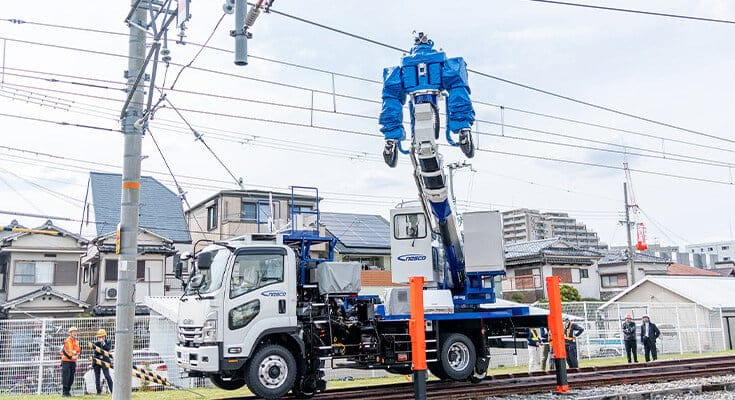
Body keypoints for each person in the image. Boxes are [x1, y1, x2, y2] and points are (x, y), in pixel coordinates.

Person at [60, 326, 81, 397]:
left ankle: (68, 391)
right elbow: (64, 351)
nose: (75, 333)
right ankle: (64, 392)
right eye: (73, 332)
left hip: (73, 361)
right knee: (66, 376)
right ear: (70, 333)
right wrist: (71, 357)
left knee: (71, 377)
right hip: (66, 361)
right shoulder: (67, 341)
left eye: (76, 332)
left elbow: (78, 351)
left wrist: (77, 356)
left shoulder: (76, 342)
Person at [92, 329, 113, 394]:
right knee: (97, 377)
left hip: (105, 361)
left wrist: (103, 343)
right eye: (99, 337)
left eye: (102, 336)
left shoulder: (108, 341)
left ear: (105, 336)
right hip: (97, 360)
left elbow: (108, 349)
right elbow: (95, 352)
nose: (101, 338)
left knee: (107, 375)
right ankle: (98, 391)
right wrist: (98, 343)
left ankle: (112, 390)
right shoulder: (96, 343)